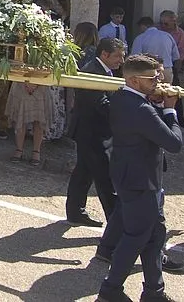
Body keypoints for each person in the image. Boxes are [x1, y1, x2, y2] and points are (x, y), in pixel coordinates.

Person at [95, 55, 183, 302]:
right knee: (135, 238)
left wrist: (156, 104)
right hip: (140, 181)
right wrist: (170, 110)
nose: (159, 81)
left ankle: (154, 292)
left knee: (155, 236)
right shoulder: (141, 109)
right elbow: (174, 143)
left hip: (131, 175)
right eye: (152, 78)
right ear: (134, 80)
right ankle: (110, 290)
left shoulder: (122, 98)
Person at [65, 38, 123, 226]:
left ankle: (75, 211)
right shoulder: (92, 72)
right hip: (92, 133)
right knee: (105, 177)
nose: (120, 61)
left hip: (95, 131)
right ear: (104, 54)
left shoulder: (104, 70)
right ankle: (115, 222)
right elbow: (101, 105)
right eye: (117, 56)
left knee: (84, 172)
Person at [5, 82, 52, 165]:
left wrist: (36, 84)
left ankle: (36, 151)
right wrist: (26, 83)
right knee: (20, 117)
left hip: (42, 84)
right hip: (20, 83)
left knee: (39, 118)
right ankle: (19, 149)